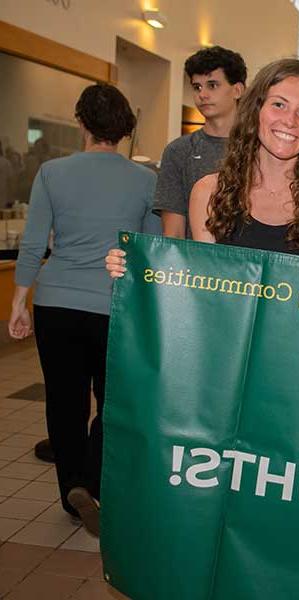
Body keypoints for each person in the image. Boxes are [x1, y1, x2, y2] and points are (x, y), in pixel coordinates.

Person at [8, 84, 161, 537]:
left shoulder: (52, 173)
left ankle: (72, 490)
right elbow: (148, 251)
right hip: (115, 308)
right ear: (125, 129)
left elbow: (35, 243)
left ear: (81, 123)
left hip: (56, 303)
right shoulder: (145, 180)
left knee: (63, 400)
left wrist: (20, 301)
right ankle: (92, 481)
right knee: (113, 401)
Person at [108, 58, 299, 278]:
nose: (290, 121)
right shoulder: (209, 192)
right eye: (279, 105)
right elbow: (200, 288)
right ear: (255, 110)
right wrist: (137, 266)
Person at [153, 46, 247, 239]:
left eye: (212, 85)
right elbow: (173, 233)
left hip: (250, 263)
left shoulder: (261, 148)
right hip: (197, 264)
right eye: (197, 87)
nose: (202, 94)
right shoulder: (178, 152)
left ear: (237, 90)